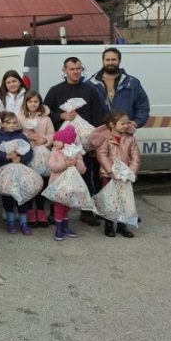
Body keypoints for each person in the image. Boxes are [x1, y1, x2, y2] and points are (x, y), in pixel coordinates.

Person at [44, 57, 105, 227]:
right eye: (71, 69)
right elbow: (45, 113)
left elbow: (98, 116)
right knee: (59, 177)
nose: (76, 72)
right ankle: (54, 212)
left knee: (86, 175)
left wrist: (95, 142)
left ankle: (86, 211)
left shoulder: (90, 90)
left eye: (78, 68)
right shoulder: (55, 91)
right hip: (62, 144)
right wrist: (61, 116)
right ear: (64, 71)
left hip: (84, 144)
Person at [94, 110, 141, 238]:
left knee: (123, 200)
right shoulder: (105, 138)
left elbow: (135, 156)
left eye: (127, 123)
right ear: (112, 124)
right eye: (122, 123)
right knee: (110, 200)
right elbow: (102, 156)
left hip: (124, 176)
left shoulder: (130, 138)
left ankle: (122, 225)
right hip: (109, 175)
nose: (125, 126)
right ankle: (109, 224)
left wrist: (130, 171)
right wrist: (111, 171)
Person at [0, 111, 35, 235]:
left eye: (14, 123)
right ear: (2, 124)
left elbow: (29, 152)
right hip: (5, 172)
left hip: (20, 170)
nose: (12, 125)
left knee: (22, 195)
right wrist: (7, 156)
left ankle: (23, 222)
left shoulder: (21, 137)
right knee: (8, 196)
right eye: (8, 123)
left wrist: (21, 158)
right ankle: (10, 221)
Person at [87, 47, 150, 129]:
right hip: (100, 134)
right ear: (103, 61)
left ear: (119, 61)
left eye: (113, 60)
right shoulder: (91, 84)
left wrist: (136, 122)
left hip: (125, 133)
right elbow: (86, 111)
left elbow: (143, 106)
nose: (110, 62)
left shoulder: (132, 83)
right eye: (107, 60)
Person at [17, 90, 54, 227]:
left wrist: (44, 140)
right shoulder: (20, 118)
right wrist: (28, 137)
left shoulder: (46, 118)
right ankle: (30, 213)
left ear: (40, 103)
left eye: (36, 101)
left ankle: (41, 211)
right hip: (28, 153)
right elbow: (16, 132)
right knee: (29, 183)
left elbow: (52, 134)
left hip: (42, 154)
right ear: (26, 103)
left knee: (41, 183)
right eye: (30, 101)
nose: (33, 104)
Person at [47, 125, 85, 241]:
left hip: (71, 185)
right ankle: (59, 229)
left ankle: (65, 227)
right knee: (59, 206)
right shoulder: (55, 153)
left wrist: (76, 163)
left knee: (67, 207)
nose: (54, 142)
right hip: (58, 185)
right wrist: (65, 164)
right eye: (54, 140)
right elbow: (52, 166)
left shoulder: (76, 153)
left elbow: (83, 170)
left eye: (58, 140)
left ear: (66, 142)